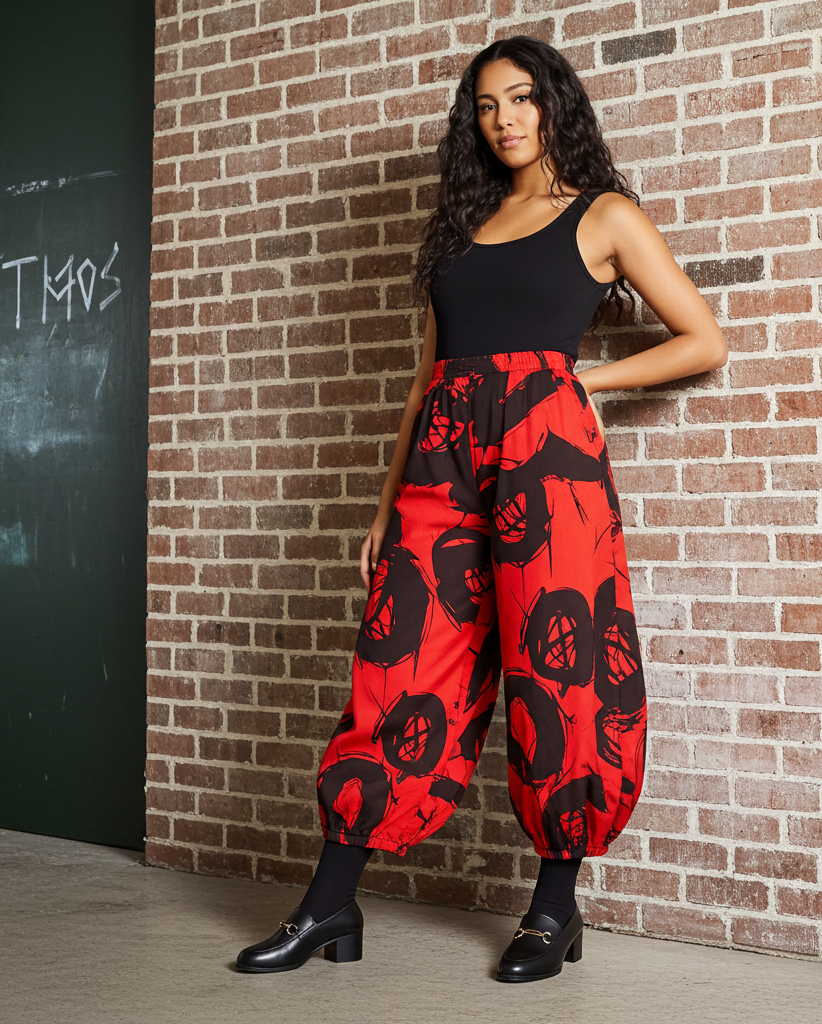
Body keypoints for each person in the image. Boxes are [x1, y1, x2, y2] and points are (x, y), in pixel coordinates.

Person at [236, 35, 727, 982]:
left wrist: (589, 382)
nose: (504, 119)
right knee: (399, 666)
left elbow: (703, 337)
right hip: (441, 467)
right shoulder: (457, 230)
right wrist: (387, 505)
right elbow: (427, 379)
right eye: (487, 105)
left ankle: (552, 909)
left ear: (555, 107)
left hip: (552, 464)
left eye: (522, 99)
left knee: (562, 666)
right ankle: (329, 903)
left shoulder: (603, 215)